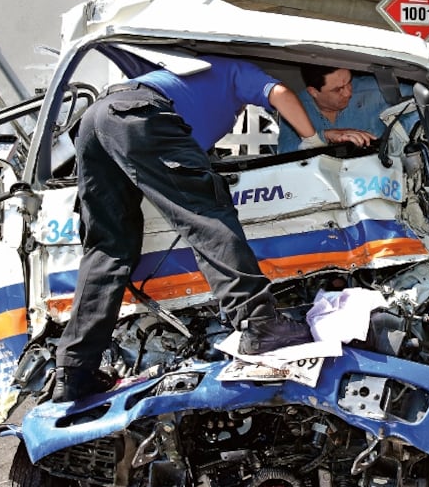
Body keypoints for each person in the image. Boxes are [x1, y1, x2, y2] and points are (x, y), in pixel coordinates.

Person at [53, 55, 360, 403]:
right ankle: (259, 323)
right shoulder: (235, 66)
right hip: (139, 113)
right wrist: (313, 140)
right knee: (208, 214)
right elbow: (279, 93)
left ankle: (74, 370)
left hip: (95, 121)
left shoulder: (186, 83)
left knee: (110, 247)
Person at [277, 65, 415, 152]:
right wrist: (325, 136)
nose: (348, 92)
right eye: (338, 90)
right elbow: (285, 150)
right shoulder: (295, 106)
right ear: (313, 92)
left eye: (349, 81)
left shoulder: (378, 91)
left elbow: (422, 103)